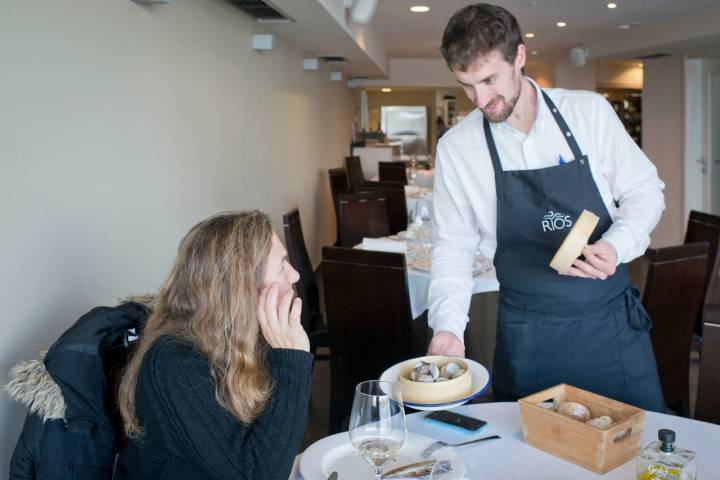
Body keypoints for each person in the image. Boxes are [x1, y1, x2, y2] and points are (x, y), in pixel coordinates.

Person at [427, 3, 666, 412]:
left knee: (635, 456)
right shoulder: (457, 148)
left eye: (489, 79)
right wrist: (448, 326)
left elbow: (646, 191)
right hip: (529, 335)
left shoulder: (588, 113)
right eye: (467, 85)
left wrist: (617, 245)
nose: (480, 99)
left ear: (519, 56)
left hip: (609, 326)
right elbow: (452, 248)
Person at [116, 210, 313, 479]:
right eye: (282, 265)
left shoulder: (248, 336)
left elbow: (274, 442)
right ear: (241, 285)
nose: (295, 276)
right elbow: (256, 474)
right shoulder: (172, 363)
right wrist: (292, 360)